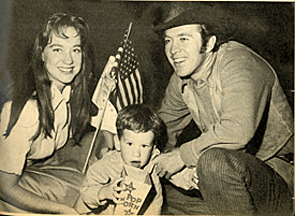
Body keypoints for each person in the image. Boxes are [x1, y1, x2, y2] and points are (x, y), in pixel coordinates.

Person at [152, 2, 294, 215]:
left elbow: (237, 131)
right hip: (227, 183)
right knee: (152, 193)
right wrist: (135, 150)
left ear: (209, 43)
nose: (173, 50)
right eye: (168, 41)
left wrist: (181, 157)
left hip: (276, 177)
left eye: (183, 38)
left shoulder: (239, 62)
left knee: (213, 163)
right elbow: (161, 129)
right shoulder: (182, 77)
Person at [0, 13, 116, 214]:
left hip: (36, 167)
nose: (68, 60)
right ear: (42, 54)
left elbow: (76, 139)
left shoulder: (69, 92)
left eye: (75, 50)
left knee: (100, 168)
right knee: (84, 192)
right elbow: (5, 187)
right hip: (8, 185)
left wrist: (107, 141)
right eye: (57, 49)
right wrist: (61, 210)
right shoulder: (28, 110)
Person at [80, 104, 163, 215]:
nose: (136, 154)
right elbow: (86, 193)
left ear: (153, 148)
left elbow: (155, 204)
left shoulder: (152, 166)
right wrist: (104, 192)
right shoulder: (107, 165)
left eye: (144, 146)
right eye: (129, 144)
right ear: (118, 143)